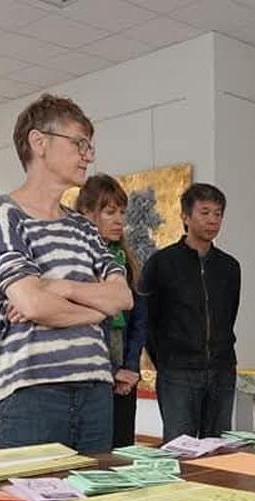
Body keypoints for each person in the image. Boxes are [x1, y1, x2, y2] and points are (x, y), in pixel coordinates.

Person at [0, 94, 132, 454]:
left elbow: (122, 298)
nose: (89, 155)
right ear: (39, 142)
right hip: (29, 395)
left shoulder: (84, 227)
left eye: (89, 146)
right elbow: (32, 303)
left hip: (95, 389)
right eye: (79, 143)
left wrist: (57, 286)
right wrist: (96, 309)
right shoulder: (4, 214)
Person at [141, 183, 240, 441]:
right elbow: (147, 320)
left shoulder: (229, 267)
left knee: (219, 450)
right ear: (185, 217)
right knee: (179, 448)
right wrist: (165, 358)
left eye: (218, 214)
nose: (212, 220)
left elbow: (229, 316)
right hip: (178, 371)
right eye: (205, 212)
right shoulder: (161, 263)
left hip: (222, 369)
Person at [75, 174, 148, 448]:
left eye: (122, 212)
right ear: (87, 214)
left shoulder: (126, 260)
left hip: (124, 374)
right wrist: (112, 370)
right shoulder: (76, 261)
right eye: (109, 212)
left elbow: (140, 319)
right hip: (92, 373)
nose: (119, 220)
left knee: (122, 452)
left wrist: (129, 368)